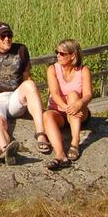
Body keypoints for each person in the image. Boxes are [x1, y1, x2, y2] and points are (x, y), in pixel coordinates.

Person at [0, 22, 48, 165]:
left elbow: (27, 78)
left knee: (30, 85)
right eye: (3, 36)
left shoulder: (21, 49)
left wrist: (34, 104)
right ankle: (6, 150)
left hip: (14, 98)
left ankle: (41, 133)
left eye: (9, 35)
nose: (7, 39)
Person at [42, 39, 92, 170]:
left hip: (79, 111)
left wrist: (79, 103)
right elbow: (55, 93)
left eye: (62, 53)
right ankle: (60, 155)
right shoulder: (52, 69)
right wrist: (66, 108)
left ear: (73, 55)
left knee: (73, 95)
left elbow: (88, 95)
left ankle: (75, 142)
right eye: (57, 52)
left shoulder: (83, 70)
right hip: (60, 111)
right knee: (47, 115)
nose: (58, 55)